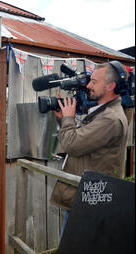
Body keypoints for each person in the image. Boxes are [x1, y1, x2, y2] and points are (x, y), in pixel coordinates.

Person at [51, 61, 129, 238]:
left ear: (111, 86)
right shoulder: (103, 112)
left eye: (94, 82)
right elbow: (83, 140)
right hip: (87, 199)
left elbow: (72, 145)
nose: (88, 86)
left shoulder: (109, 118)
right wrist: (64, 119)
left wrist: (69, 119)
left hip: (91, 202)